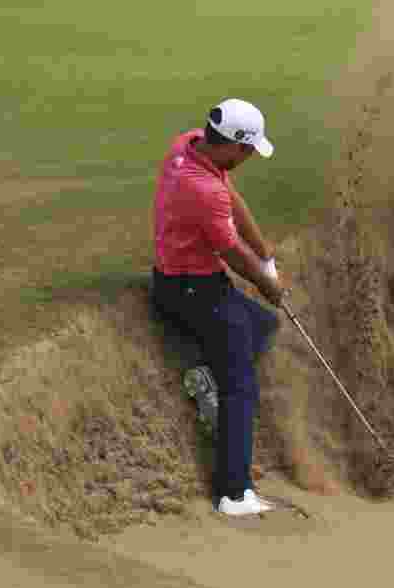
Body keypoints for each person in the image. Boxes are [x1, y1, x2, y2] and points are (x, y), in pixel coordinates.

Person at [151, 98, 286, 516]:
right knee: (241, 386)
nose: (248, 158)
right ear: (231, 146)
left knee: (262, 326)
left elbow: (234, 203)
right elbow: (230, 252)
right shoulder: (204, 189)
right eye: (247, 150)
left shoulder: (189, 144)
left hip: (186, 280)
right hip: (192, 290)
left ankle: (204, 373)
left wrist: (266, 255)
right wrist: (268, 284)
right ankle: (234, 493)